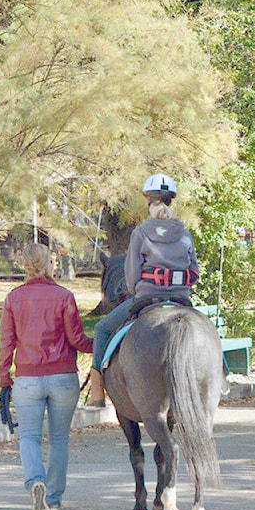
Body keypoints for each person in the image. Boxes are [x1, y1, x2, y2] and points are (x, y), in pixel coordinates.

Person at [0, 242, 93, 510]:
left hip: (27, 379)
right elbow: (76, 339)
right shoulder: (64, 296)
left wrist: (4, 377)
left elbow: (7, 342)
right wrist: (97, 345)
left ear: (25, 266)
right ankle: (53, 497)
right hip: (63, 376)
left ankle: (35, 482)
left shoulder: (13, 299)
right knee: (60, 438)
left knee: (29, 436)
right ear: (48, 264)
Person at [88, 173, 200, 406]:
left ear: (148, 202)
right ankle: (221, 372)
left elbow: (131, 276)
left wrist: (134, 289)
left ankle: (97, 391)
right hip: (180, 299)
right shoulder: (184, 232)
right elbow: (195, 273)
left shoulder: (140, 233)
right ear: (171, 201)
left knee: (102, 328)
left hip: (148, 298)